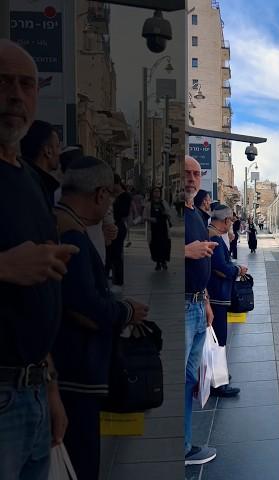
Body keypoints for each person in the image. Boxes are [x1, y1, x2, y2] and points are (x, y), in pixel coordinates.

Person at [0, 39, 80, 480]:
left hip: (31, 393)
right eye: (3, 82)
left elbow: (42, 286)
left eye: (26, 85)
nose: (15, 94)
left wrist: (49, 388)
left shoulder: (32, 181)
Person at [52, 156, 148, 479]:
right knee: (82, 459)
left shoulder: (57, 224)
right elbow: (86, 307)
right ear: (99, 195)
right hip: (76, 375)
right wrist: (127, 312)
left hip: (64, 372)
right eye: (109, 197)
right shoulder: (74, 238)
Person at [184, 156, 218, 465]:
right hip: (181, 306)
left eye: (196, 173)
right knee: (179, 378)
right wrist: (185, 251)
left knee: (189, 379)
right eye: (186, 173)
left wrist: (206, 300)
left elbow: (202, 257)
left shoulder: (195, 213)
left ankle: (183, 444)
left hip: (196, 304)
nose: (192, 178)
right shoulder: (172, 212)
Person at [208, 204, 247, 397]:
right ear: (225, 221)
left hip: (216, 296)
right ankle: (218, 384)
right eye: (231, 219)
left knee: (217, 338)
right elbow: (220, 267)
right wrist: (237, 270)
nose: (231, 223)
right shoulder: (213, 238)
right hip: (218, 297)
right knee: (219, 338)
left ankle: (219, 377)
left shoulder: (213, 235)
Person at [20, 120, 61, 209]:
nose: (59, 152)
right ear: (48, 151)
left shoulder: (20, 180)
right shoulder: (36, 189)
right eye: (57, 146)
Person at [105, 175, 131, 292]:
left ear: (117, 184)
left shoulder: (124, 196)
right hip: (110, 224)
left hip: (118, 226)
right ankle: (109, 276)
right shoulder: (111, 196)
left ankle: (118, 281)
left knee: (116, 253)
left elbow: (123, 213)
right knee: (109, 253)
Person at [145, 186, 172, 270]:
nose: (157, 193)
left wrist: (166, 214)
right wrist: (151, 219)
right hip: (153, 228)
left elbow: (169, 214)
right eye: (155, 191)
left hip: (163, 228)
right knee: (155, 246)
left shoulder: (163, 202)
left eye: (158, 191)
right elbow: (144, 216)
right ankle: (157, 263)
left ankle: (163, 262)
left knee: (165, 245)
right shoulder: (149, 204)